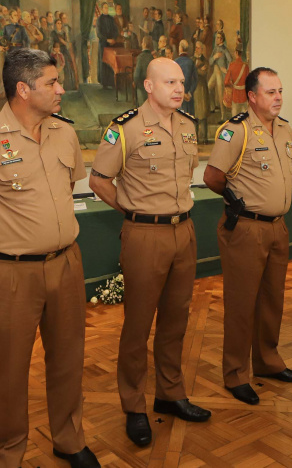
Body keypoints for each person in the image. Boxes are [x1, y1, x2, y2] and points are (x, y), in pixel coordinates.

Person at [0, 48, 99, 468]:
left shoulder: (64, 132)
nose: (60, 89)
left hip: (67, 263)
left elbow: (67, 189)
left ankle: (69, 440)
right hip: (10, 273)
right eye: (51, 82)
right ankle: (5, 454)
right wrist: (6, 231)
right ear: (22, 89)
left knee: (69, 359)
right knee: (8, 373)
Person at [90, 58, 210, 446]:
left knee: (176, 320)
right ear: (148, 85)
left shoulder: (188, 125)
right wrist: (130, 210)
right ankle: (134, 406)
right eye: (170, 82)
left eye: (181, 81)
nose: (179, 88)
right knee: (138, 325)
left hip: (184, 231)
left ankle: (171, 393)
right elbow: (98, 179)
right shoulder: (125, 129)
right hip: (145, 235)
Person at [204, 67, 292, 406]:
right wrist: (238, 199)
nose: (278, 97)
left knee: (272, 300)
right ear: (251, 96)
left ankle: (267, 361)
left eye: (280, 91)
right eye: (270, 92)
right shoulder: (236, 131)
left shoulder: (286, 129)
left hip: (278, 227)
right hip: (247, 228)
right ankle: (235, 374)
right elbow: (213, 177)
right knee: (241, 305)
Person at [207, 31, 232, 114]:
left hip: (221, 74)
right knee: (209, 87)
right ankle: (213, 106)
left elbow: (230, 61)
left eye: (218, 38)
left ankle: (223, 115)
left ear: (221, 39)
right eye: (216, 37)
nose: (216, 39)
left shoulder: (224, 49)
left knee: (221, 93)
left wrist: (227, 70)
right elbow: (210, 62)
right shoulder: (215, 49)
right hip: (215, 72)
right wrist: (215, 57)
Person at [224, 38, 249, 116]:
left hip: (235, 95)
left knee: (234, 117)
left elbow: (226, 82)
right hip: (244, 95)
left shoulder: (232, 65)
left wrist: (232, 85)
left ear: (236, 53)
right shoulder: (246, 66)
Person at [192, 40, 210, 142]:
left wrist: (195, 70)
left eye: (198, 48)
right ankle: (196, 138)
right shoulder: (192, 60)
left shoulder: (205, 61)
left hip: (202, 91)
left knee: (203, 116)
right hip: (195, 90)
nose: (196, 49)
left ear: (202, 50)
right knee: (195, 116)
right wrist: (197, 69)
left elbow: (203, 74)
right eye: (196, 47)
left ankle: (204, 138)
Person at [174, 39, 197, 117]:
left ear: (180, 48)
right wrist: (189, 94)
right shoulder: (191, 62)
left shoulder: (175, 62)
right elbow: (195, 81)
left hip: (177, 97)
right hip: (188, 99)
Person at [133, 36, 155, 106]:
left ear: (144, 44)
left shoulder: (140, 57)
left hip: (141, 87)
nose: (141, 44)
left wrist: (135, 82)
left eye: (142, 42)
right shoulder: (152, 58)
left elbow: (136, 75)